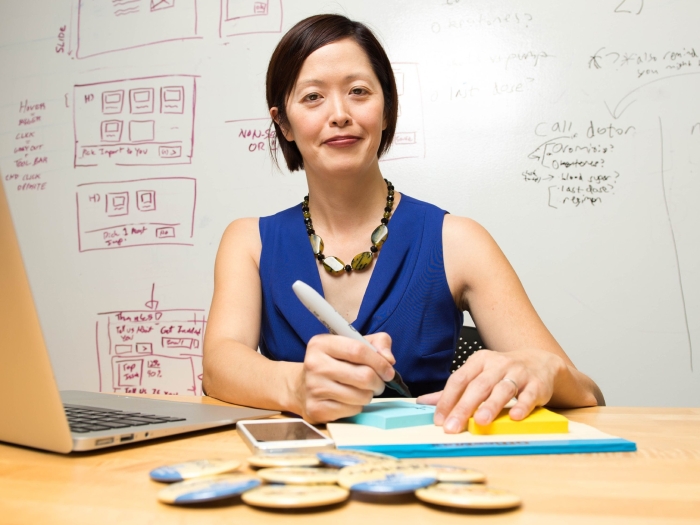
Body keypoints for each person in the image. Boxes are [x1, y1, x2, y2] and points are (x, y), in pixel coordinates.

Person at [202, 14, 604, 433]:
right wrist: (296, 386)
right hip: (292, 480)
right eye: (312, 97)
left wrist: (542, 369)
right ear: (283, 123)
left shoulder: (458, 240)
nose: (339, 114)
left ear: (387, 109)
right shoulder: (249, 242)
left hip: (434, 476)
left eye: (358, 92)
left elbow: (587, 393)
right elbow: (218, 366)